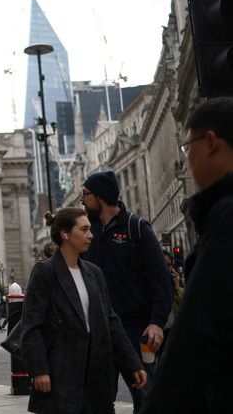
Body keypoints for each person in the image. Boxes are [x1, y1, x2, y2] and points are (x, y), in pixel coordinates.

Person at [140, 97, 233, 413]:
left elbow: (196, 337)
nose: (187, 159)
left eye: (187, 147)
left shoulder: (226, 217)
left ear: (209, 143)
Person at [21, 207, 145, 414]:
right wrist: (39, 370)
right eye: (84, 229)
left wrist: (133, 364)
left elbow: (111, 321)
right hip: (61, 369)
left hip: (97, 371)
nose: (90, 235)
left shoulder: (93, 272)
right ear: (65, 234)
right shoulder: (45, 272)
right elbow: (32, 325)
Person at [80, 169, 173, 411]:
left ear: (100, 197)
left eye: (85, 193)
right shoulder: (87, 232)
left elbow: (161, 279)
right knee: (97, 402)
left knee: (146, 398)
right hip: (99, 331)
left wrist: (156, 322)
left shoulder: (136, 228)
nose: (81, 199)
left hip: (135, 330)